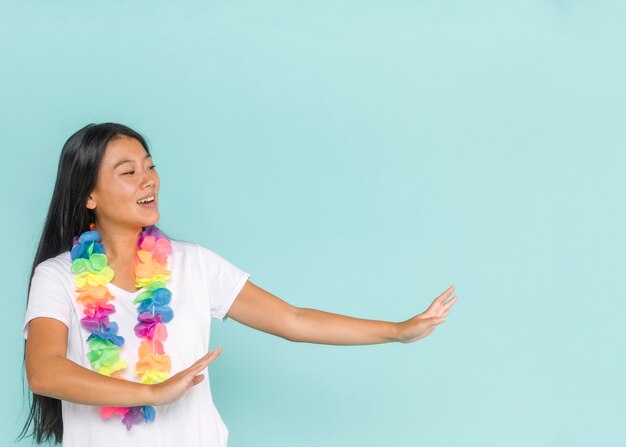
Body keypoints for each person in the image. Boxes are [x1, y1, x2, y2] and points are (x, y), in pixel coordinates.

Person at [18, 122, 458, 447]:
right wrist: (151, 393)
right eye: (128, 172)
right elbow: (45, 371)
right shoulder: (57, 277)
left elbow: (293, 319)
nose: (149, 179)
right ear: (89, 194)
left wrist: (398, 331)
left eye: (150, 167)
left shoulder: (193, 264)